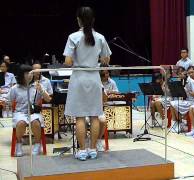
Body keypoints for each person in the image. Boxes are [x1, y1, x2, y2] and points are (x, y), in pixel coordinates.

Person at [63, 7, 112, 161]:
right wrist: (95, 59)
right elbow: (106, 60)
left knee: (80, 117)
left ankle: (82, 151)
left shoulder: (73, 37)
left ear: (78, 20)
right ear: (93, 20)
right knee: (95, 115)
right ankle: (92, 149)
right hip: (94, 78)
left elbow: (68, 62)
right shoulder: (101, 38)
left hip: (79, 78)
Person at [8, 64, 51, 156]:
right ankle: (19, 144)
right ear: (21, 75)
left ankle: (37, 144)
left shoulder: (37, 85)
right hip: (20, 112)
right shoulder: (15, 88)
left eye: (31, 73)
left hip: (33, 112)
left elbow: (48, 99)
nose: (30, 75)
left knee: (35, 122)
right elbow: (9, 101)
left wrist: (41, 90)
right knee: (21, 123)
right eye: (27, 73)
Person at [96, 66, 119, 152]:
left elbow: (117, 92)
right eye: (104, 74)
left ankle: (98, 140)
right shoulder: (96, 82)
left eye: (107, 73)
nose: (106, 75)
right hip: (95, 107)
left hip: (108, 104)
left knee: (103, 119)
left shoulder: (112, 82)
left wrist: (108, 92)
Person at [169, 66, 194, 132]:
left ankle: (181, 123)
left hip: (192, 101)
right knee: (172, 103)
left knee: (174, 104)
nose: (179, 76)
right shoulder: (182, 80)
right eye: (178, 74)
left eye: (180, 74)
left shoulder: (191, 81)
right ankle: (175, 122)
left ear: (184, 72)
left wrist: (186, 91)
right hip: (186, 100)